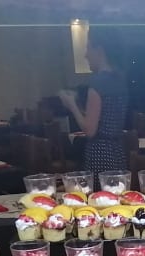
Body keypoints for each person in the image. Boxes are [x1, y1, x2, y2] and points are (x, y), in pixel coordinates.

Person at [60, 28, 129, 176]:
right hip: (117, 151)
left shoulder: (98, 82)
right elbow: (105, 117)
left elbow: (90, 130)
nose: (85, 55)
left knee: (99, 191)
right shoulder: (119, 78)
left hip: (100, 153)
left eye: (88, 48)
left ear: (99, 50)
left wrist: (72, 105)